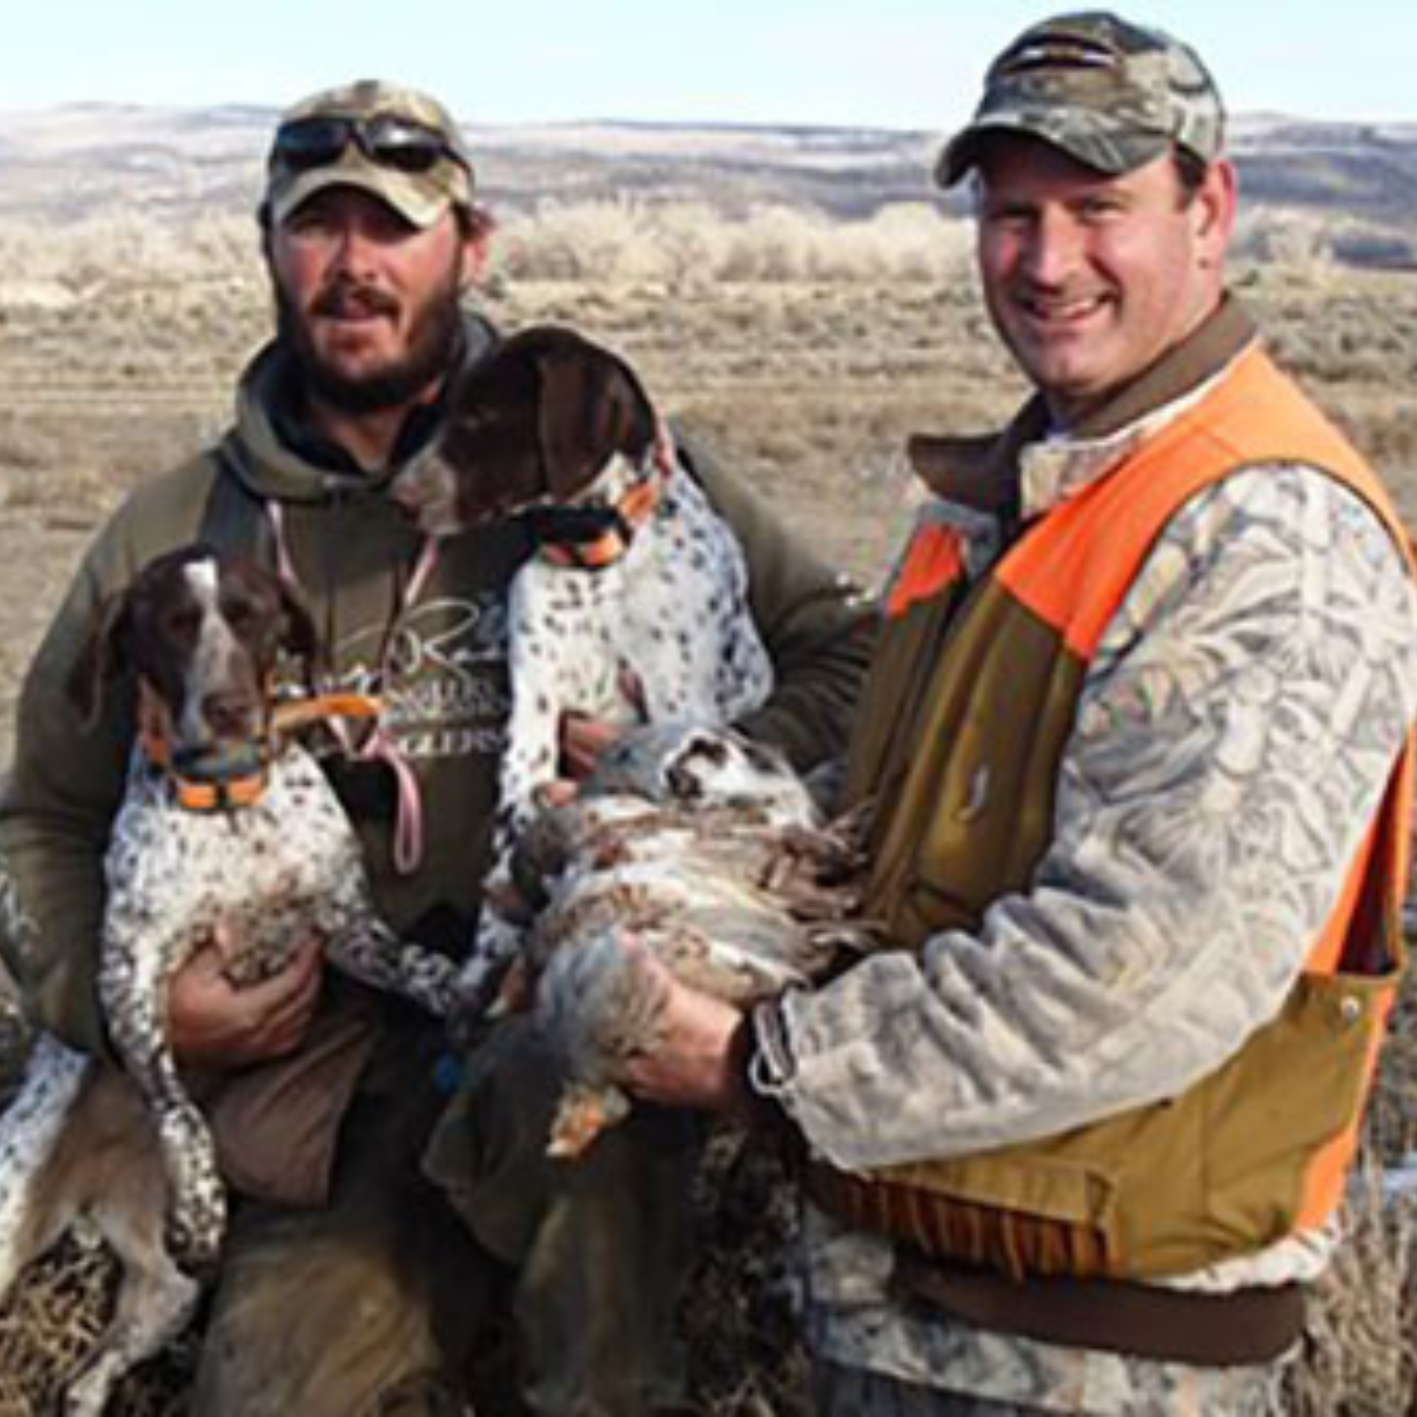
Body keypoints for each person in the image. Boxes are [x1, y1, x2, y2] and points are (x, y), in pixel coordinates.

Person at [0, 79, 873, 1416]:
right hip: (329, 1064)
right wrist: (127, 1009)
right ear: (266, 245)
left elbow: (845, 652)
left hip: (556, 1005)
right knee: (272, 1392)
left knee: (599, 1347)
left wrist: (688, 765)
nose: (352, 266)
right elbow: (42, 821)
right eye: (317, 228)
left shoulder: (589, 451)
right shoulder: (173, 531)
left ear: (471, 245)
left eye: (394, 228)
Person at [624, 12, 1417, 1416]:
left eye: (1100, 206)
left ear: (1210, 209)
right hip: (909, 1309)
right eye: (1011, 213)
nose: (1048, 263)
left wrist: (759, 1065)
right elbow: (890, 835)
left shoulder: (1261, 531)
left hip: (1099, 1364)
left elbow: (1138, 976)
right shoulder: (1009, 498)